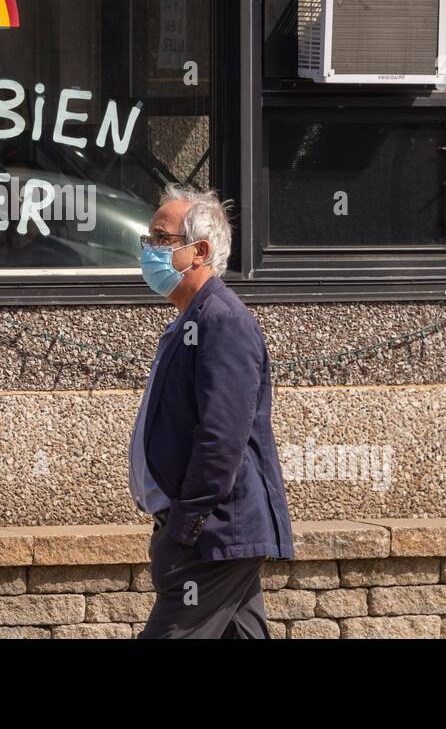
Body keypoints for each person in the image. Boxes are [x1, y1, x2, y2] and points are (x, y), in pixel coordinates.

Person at [130, 184, 293, 638]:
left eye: (160, 239)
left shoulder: (222, 322)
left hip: (213, 537)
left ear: (198, 250)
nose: (148, 249)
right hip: (213, 534)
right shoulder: (193, 319)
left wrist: (185, 527)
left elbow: (221, 440)